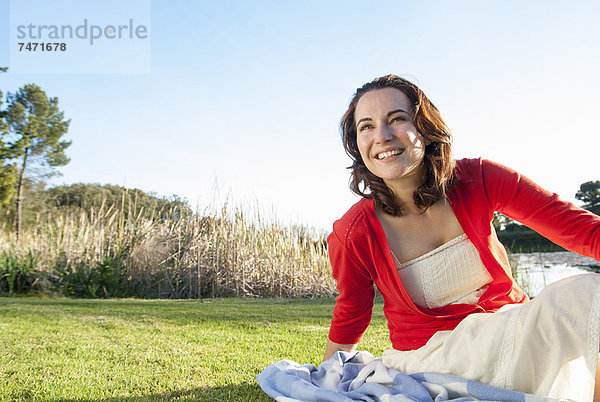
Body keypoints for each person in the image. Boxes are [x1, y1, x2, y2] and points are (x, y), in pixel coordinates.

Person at [323, 74, 600, 401]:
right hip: (434, 358)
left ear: (424, 129)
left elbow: (581, 229)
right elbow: (351, 314)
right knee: (588, 291)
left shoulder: (480, 178)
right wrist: (324, 378)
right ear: (357, 143)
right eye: (366, 126)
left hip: (510, 332)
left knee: (588, 295)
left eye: (396, 119)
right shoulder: (352, 231)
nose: (382, 136)